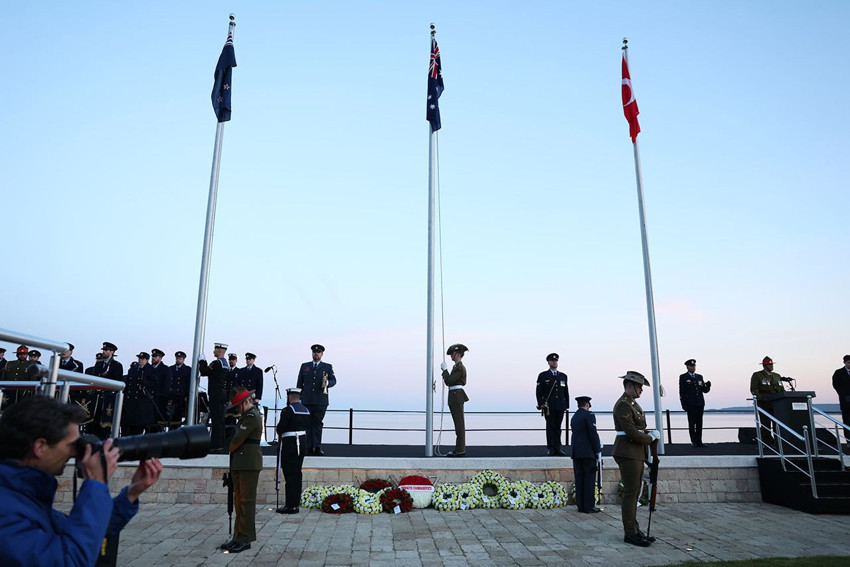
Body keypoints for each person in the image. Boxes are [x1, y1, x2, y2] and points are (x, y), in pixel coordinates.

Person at [0, 395, 162, 567]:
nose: (74, 453)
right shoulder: (6, 510)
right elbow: (70, 560)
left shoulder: (23, 495)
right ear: (40, 447)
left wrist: (131, 494)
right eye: (72, 445)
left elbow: (84, 532)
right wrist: (96, 483)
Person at [613, 370, 659, 547]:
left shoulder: (632, 404)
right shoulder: (624, 405)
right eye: (639, 386)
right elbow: (631, 433)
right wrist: (651, 438)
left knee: (634, 493)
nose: (641, 390)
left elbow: (638, 428)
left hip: (635, 452)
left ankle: (634, 529)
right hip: (628, 452)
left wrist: (649, 433)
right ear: (629, 386)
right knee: (631, 494)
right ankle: (630, 533)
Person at [220, 386, 262, 554]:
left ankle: (245, 539)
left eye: (238, 405)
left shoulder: (252, 416)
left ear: (246, 402)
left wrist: (230, 446)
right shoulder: (245, 416)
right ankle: (238, 537)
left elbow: (236, 440)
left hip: (249, 464)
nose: (236, 409)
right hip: (241, 463)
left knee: (246, 502)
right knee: (239, 502)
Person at [296, 344, 337, 456]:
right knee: (308, 424)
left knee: (318, 424)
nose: (316, 354)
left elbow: (333, 380)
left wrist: (328, 383)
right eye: (314, 352)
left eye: (318, 352)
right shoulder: (305, 366)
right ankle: (308, 447)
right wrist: (298, 399)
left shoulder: (327, 367)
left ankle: (317, 447)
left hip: (320, 401)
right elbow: (300, 383)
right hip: (307, 400)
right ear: (312, 353)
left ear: (322, 354)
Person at [275, 387, 310, 514]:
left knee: (290, 475)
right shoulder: (306, 410)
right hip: (302, 442)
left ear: (290, 397)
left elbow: (280, 428)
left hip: (290, 444)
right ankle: (295, 504)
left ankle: (290, 506)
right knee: (297, 474)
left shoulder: (287, 410)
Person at [571, 395, 602, 513]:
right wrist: (597, 449)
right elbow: (593, 433)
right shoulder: (589, 415)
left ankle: (581, 505)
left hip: (576, 452)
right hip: (588, 452)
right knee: (589, 480)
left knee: (579, 480)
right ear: (587, 405)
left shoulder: (574, 417)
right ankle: (589, 506)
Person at [198, 342, 231, 453]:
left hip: (215, 394)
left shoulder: (216, 363)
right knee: (220, 420)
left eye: (215, 349)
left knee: (216, 420)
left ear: (219, 351)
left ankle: (216, 444)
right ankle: (221, 444)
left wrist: (202, 361)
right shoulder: (225, 363)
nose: (213, 351)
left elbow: (204, 372)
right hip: (222, 394)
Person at [536, 352, 569, 455]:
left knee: (558, 428)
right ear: (548, 362)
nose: (554, 362)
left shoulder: (563, 376)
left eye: (556, 361)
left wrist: (566, 406)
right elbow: (539, 391)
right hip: (549, 407)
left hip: (560, 406)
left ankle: (558, 448)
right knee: (550, 427)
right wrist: (541, 403)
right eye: (552, 361)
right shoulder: (543, 375)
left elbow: (565, 392)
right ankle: (551, 448)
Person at [441, 343, 469, 457]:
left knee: (459, 425)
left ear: (457, 354)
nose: (451, 356)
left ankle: (460, 449)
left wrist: (444, 370)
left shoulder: (460, 368)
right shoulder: (457, 367)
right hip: (454, 396)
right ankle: (459, 448)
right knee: (458, 424)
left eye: (452, 353)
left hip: (457, 397)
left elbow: (449, 381)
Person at [749, 356, 785, 442]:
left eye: (772, 364)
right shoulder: (757, 375)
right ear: (764, 366)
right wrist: (761, 398)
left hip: (777, 403)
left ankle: (778, 440)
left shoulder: (777, 376)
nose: (771, 366)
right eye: (769, 364)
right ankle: (767, 441)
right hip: (764, 403)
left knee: (777, 423)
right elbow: (754, 389)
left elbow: (782, 389)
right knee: (766, 423)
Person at [121, 352, 157, 436]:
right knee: (126, 428)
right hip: (130, 402)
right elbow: (128, 384)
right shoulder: (133, 369)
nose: (140, 360)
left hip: (141, 404)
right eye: (139, 358)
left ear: (147, 360)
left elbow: (155, 384)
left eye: (142, 359)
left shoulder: (150, 370)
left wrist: (144, 383)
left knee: (137, 429)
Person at [679, 359, 711, 447]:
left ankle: (699, 441)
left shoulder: (699, 377)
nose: (693, 367)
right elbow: (682, 392)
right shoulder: (683, 377)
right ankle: (694, 441)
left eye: (694, 366)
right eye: (691, 366)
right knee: (692, 423)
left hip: (700, 403)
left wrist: (708, 387)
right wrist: (683, 404)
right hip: (690, 404)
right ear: (687, 367)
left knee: (699, 423)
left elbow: (704, 390)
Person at [163, 351, 191, 427]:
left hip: (180, 396)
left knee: (177, 416)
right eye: (177, 358)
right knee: (169, 415)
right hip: (171, 395)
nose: (178, 360)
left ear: (183, 359)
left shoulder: (187, 370)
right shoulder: (170, 369)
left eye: (180, 358)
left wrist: (187, 395)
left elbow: (188, 383)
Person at [831, 355, 850, 428]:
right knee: (847, 422)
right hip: (845, 402)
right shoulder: (838, 373)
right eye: (848, 362)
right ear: (844, 362)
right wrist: (844, 395)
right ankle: (848, 438)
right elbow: (835, 385)